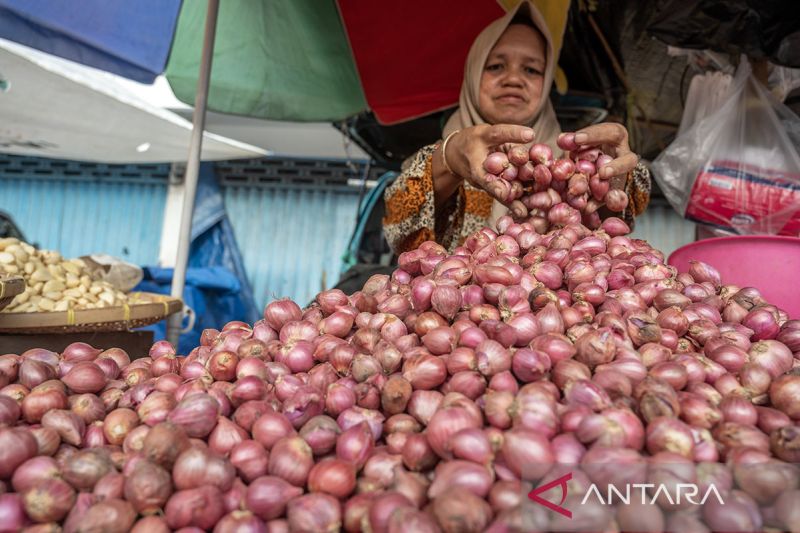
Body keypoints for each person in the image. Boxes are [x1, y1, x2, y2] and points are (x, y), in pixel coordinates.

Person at [383, 1, 651, 255]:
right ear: (473, 73)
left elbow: (611, 233)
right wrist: (449, 158)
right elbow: (398, 232)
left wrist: (610, 182)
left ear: (546, 83)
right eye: (495, 66)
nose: (513, 79)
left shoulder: (573, 162)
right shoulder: (431, 166)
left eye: (532, 70)